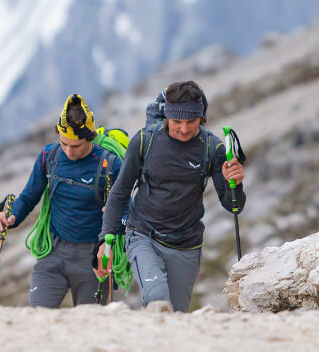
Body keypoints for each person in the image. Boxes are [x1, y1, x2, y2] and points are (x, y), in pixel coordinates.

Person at [97, 80, 245, 312]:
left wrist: (234, 182)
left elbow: (233, 206)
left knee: (176, 315)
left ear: (202, 118)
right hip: (142, 236)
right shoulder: (145, 141)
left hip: (186, 246)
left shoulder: (212, 148)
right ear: (167, 116)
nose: (184, 129)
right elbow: (120, 192)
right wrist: (105, 239)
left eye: (191, 121)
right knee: (157, 299)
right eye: (177, 121)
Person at [0, 94, 123, 307]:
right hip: (53, 252)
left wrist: (108, 242)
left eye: (76, 146)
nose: (69, 151)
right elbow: (28, 197)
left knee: (88, 326)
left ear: (90, 137)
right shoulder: (48, 156)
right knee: (37, 315)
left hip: (93, 257)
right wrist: (10, 216)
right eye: (64, 144)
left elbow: (127, 211)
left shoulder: (110, 165)